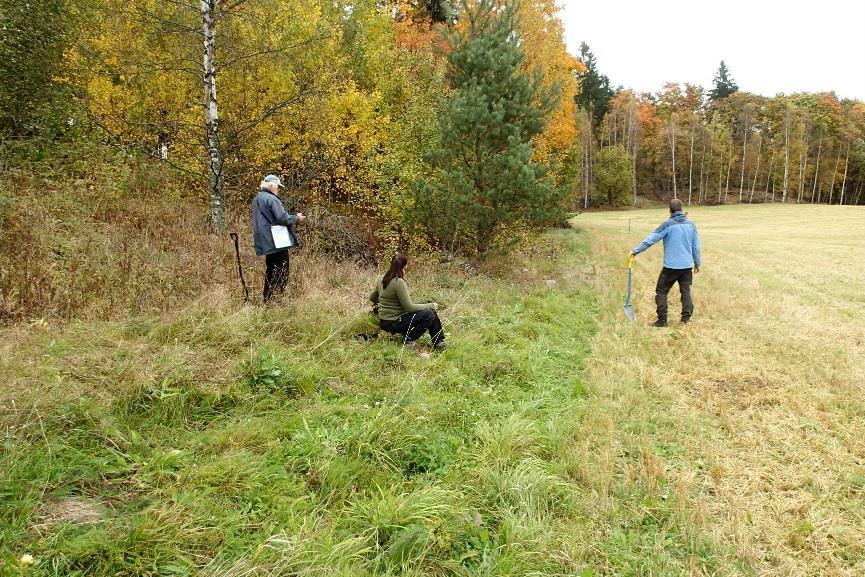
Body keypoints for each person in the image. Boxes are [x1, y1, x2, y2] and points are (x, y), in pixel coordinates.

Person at [630, 198, 701, 327]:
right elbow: (696, 247)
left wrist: (635, 251)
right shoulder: (691, 225)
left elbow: (650, 240)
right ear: (682, 209)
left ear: (670, 210)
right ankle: (685, 320)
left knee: (661, 291)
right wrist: (697, 263)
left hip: (671, 267)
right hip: (686, 266)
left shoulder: (667, 225)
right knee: (685, 291)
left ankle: (662, 321)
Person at [369, 254, 446, 349]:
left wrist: (385, 303)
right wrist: (431, 305)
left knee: (430, 312)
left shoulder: (381, 279)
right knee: (429, 313)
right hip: (395, 323)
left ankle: (438, 341)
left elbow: (372, 297)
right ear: (404, 266)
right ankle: (409, 339)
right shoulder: (399, 282)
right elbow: (409, 308)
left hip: (384, 322)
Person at [252, 174, 305, 303]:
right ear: (271, 185)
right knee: (282, 269)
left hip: (266, 241)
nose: (278, 190)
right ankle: (278, 300)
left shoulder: (257, 198)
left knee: (270, 270)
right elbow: (283, 218)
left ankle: (267, 299)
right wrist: (297, 218)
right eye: (278, 187)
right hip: (277, 241)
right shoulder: (272, 199)